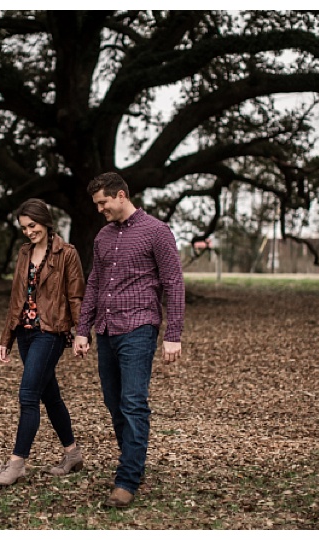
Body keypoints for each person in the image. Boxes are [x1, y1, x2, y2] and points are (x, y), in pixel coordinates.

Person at [74, 172, 185, 508]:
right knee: (113, 402)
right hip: (106, 330)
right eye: (96, 204)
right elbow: (94, 284)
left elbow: (174, 284)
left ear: (121, 195)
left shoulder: (157, 231)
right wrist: (83, 329)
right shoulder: (103, 236)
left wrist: (173, 334)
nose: (99, 209)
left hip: (139, 329)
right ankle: (133, 464)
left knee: (133, 403)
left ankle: (127, 479)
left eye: (103, 202)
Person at [0, 198, 87, 486]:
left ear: (45, 221)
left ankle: (17, 464)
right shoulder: (23, 253)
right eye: (24, 228)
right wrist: (7, 336)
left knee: (28, 394)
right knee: (49, 395)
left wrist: (82, 332)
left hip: (51, 331)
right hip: (25, 332)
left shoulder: (67, 253)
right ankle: (72, 454)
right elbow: (16, 297)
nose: (28, 232)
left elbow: (75, 296)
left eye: (32, 226)